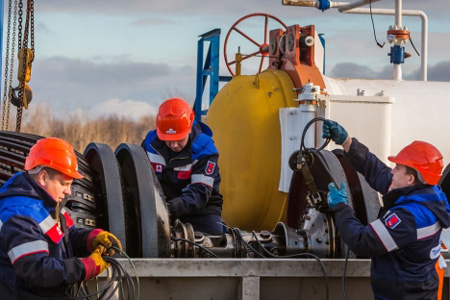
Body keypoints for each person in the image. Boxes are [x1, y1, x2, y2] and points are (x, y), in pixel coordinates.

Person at [323, 119, 450, 300]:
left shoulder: (410, 216)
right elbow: (378, 172)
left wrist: (341, 207)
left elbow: (362, 241)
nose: (392, 171)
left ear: (411, 179)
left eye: (397, 167)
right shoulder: (426, 194)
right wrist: (347, 142)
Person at [0, 137, 122, 299]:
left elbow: (66, 235)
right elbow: (36, 270)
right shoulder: (19, 214)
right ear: (43, 177)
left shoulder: (47, 203)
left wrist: (90, 238)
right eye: (64, 184)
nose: (69, 192)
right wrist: (85, 267)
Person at [142, 98, 223, 235]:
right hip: (158, 206)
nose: (174, 145)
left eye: (179, 139)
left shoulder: (205, 150)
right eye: (168, 140)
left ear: (189, 127)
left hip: (200, 209)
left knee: (212, 245)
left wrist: (170, 209)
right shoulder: (150, 144)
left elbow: (200, 192)